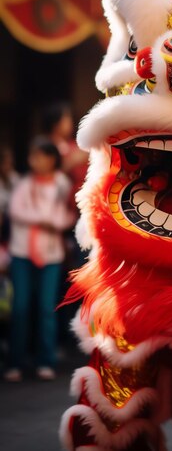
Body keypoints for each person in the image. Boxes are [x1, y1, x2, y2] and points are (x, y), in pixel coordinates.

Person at [4, 136, 75, 382]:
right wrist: (43, 221)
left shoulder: (61, 183)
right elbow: (14, 210)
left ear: (51, 158)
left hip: (51, 254)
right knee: (21, 307)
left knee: (47, 308)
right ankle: (16, 360)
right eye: (33, 156)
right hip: (22, 252)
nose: (34, 160)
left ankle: (46, 360)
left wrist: (53, 223)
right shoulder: (24, 183)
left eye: (40, 156)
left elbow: (69, 214)